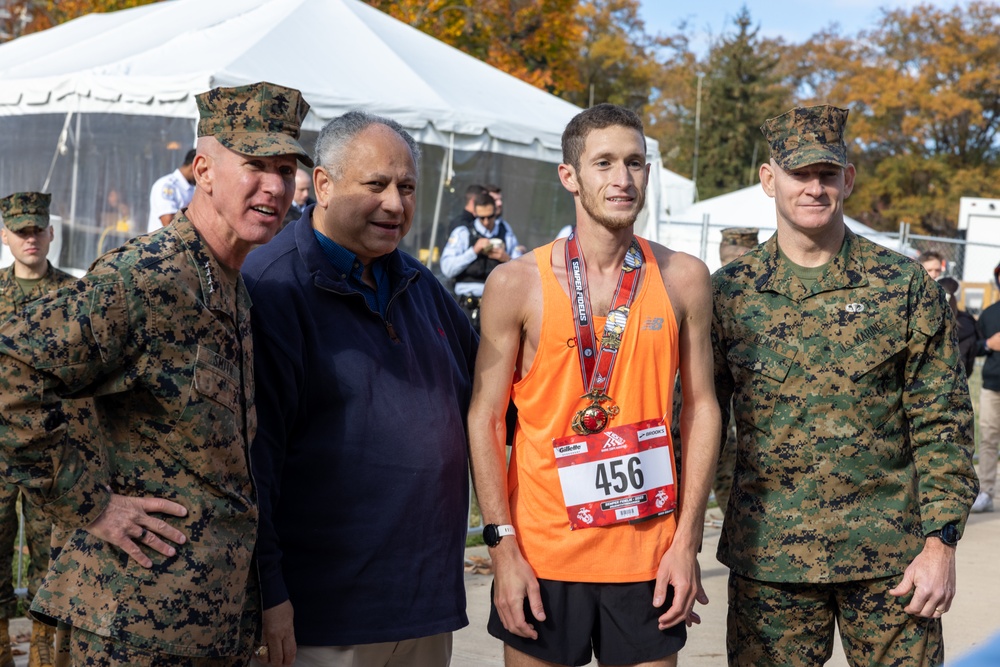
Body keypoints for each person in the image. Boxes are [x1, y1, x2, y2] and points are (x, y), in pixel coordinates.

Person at [0, 80, 312, 666]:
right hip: (131, 628)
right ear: (203, 171)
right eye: (254, 165)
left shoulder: (230, 284)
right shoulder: (150, 276)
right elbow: (11, 366)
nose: (274, 185)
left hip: (203, 624)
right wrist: (90, 504)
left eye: (286, 168)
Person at [712, 105, 979, 666]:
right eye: (799, 173)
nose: (814, 188)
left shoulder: (901, 284)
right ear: (768, 179)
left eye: (827, 175)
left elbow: (943, 423)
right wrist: (683, 538)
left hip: (892, 564)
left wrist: (941, 543)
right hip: (769, 568)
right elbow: (698, 422)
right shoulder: (729, 293)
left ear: (847, 180)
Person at [468, 103, 720, 667]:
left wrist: (687, 541)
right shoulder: (516, 284)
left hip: (648, 558)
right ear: (570, 176)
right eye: (603, 163)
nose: (622, 179)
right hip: (542, 556)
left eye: (635, 163)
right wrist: (502, 546)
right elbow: (484, 418)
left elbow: (702, 408)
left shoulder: (684, 278)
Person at [244, 110, 478, 667]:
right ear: (322, 185)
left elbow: (498, 398)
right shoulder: (273, 288)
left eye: (407, 187)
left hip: (424, 610)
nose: (395, 204)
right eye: (376, 185)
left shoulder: (421, 286)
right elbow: (255, 463)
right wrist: (270, 592)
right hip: (324, 620)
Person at [0, 192, 81, 667]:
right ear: (5, 236)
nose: (30, 239)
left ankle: (46, 660)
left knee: (50, 561)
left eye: (38, 230)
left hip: (53, 449)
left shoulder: (74, 295)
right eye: (21, 231)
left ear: (51, 233)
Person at [440, 191, 522, 331]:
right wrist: (473, 251)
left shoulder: (506, 233)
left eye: (489, 217)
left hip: (497, 307)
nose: (485, 222)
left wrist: (506, 259)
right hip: (466, 307)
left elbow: (522, 271)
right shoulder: (463, 233)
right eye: (481, 217)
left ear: (496, 212)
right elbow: (447, 268)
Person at [972, 262, 1000, 514]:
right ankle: (987, 491)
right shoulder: (990, 314)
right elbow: (975, 346)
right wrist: (990, 344)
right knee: (989, 439)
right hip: (993, 386)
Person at [146, 147, 197, 233]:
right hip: (163, 244)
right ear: (195, 166)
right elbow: (168, 222)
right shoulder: (167, 186)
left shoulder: (192, 188)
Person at [938, 277, 980, 377]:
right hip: (957, 381)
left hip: (923, 384)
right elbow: (971, 357)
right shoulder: (968, 323)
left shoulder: (923, 320)